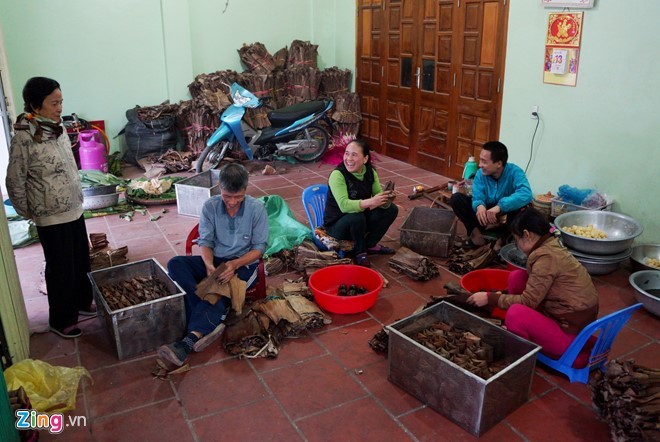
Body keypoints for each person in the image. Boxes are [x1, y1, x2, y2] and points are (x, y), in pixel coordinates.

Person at [5, 77, 95, 339]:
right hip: (49, 214)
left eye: (61, 102)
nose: (59, 108)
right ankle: (62, 319)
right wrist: (27, 210)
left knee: (80, 260)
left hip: (73, 208)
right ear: (35, 105)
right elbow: (15, 178)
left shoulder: (58, 128)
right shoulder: (24, 137)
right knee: (60, 267)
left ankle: (81, 302)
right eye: (53, 103)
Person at [158, 163, 268, 366]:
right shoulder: (210, 206)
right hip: (216, 261)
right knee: (176, 264)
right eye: (227, 196)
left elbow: (259, 248)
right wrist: (208, 264)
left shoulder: (257, 209)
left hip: (245, 264)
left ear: (246, 189)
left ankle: (188, 341)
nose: (232, 202)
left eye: (238, 197)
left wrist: (235, 264)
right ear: (219, 187)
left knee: (220, 290)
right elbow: (205, 241)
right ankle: (211, 320)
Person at [467, 208, 599, 361]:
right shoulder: (551, 244)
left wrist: (489, 298)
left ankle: (521, 348)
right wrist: (501, 294)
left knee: (515, 314)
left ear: (527, 235)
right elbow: (535, 286)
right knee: (518, 277)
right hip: (572, 320)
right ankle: (520, 330)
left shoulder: (545, 258)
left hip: (570, 336)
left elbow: (528, 302)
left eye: (517, 241)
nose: (518, 247)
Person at [323, 139, 398, 267]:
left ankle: (370, 244)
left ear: (365, 159)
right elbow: (344, 206)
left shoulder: (370, 172)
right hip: (336, 225)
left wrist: (386, 199)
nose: (349, 159)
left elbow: (378, 197)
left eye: (354, 155)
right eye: (347, 153)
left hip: (360, 220)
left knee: (391, 209)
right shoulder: (338, 175)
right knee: (355, 216)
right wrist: (371, 201)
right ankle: (360, 252)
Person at [450, 141, 532, 250]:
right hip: (486, 209)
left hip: (506, 210)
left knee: (524, 209)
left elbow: (526, 193)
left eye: (484, 162)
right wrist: (479, 205)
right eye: (480, 160)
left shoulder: (515, 172)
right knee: (456, 199)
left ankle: (502, 240)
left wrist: (500, 207)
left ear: (498, 163)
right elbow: (477, 195)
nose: (480, 165)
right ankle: (476, 235)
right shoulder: (480, 174)